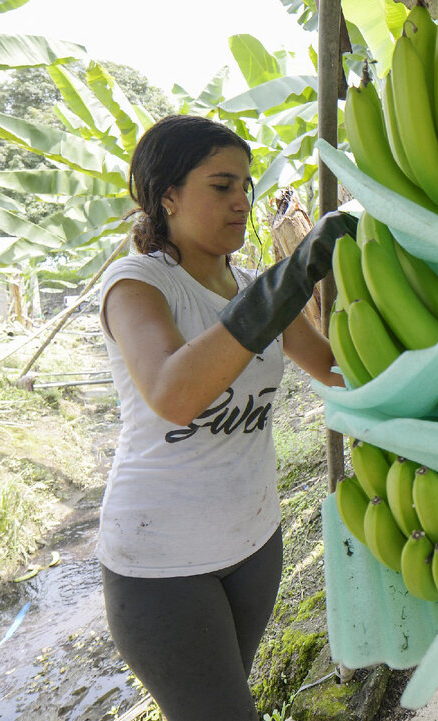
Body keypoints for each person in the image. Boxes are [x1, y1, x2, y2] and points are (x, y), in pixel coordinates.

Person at [97, 114, 356, 720]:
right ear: (167, 196)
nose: (242, 201)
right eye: (221, 186)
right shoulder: (136, 285)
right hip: (160, 564)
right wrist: (288, 280)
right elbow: (174, 392)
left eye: (247, 187)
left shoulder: (254, 286)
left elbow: (334, 368)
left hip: (254, 544)